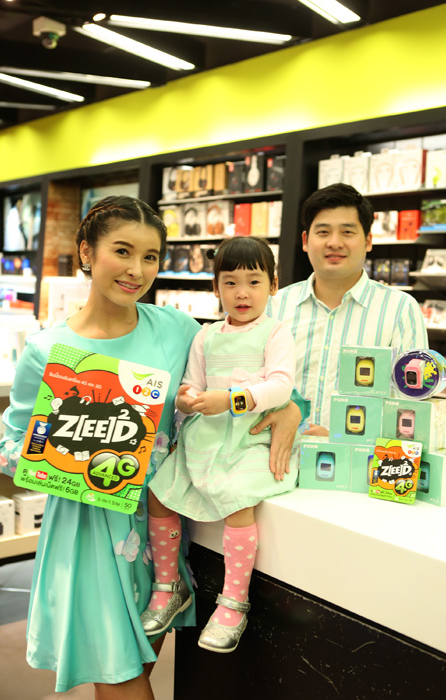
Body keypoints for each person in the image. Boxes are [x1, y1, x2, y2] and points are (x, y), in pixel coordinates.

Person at [0, 195, 201, 699]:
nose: (137, 270)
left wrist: (287, 409)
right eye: (123, 251)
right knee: (120, 678)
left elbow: (236, 380)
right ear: (87, 252)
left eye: (150, 257)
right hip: (86, 531)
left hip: (160, 530)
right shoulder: (47, 349)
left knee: (137, 670)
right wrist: (60, 455)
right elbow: (11, 445)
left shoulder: (178, 330)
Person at [141, 236, 300, 654]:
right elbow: (191, 383)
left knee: (238, 500)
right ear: (216, 288)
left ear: (273, 285)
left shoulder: (276, 332)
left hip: (251, 438)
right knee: (159, 493)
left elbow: (280, 386)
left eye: (254, 282)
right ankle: (168, 585)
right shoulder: (206, 335)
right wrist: (185, 399)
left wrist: (230, 400)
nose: (242, 293)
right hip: (205, 436)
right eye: (230, 282)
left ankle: (233, 602)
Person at [266, 183, 428, 436]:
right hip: (278, 455)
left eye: (347, 232)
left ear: (368, 241)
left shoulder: (400, 310)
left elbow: (412, 408)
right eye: (323, 232)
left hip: (360, 458)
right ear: (306, 241)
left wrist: (338, 438)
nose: (334, 242)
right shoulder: (275, 305)